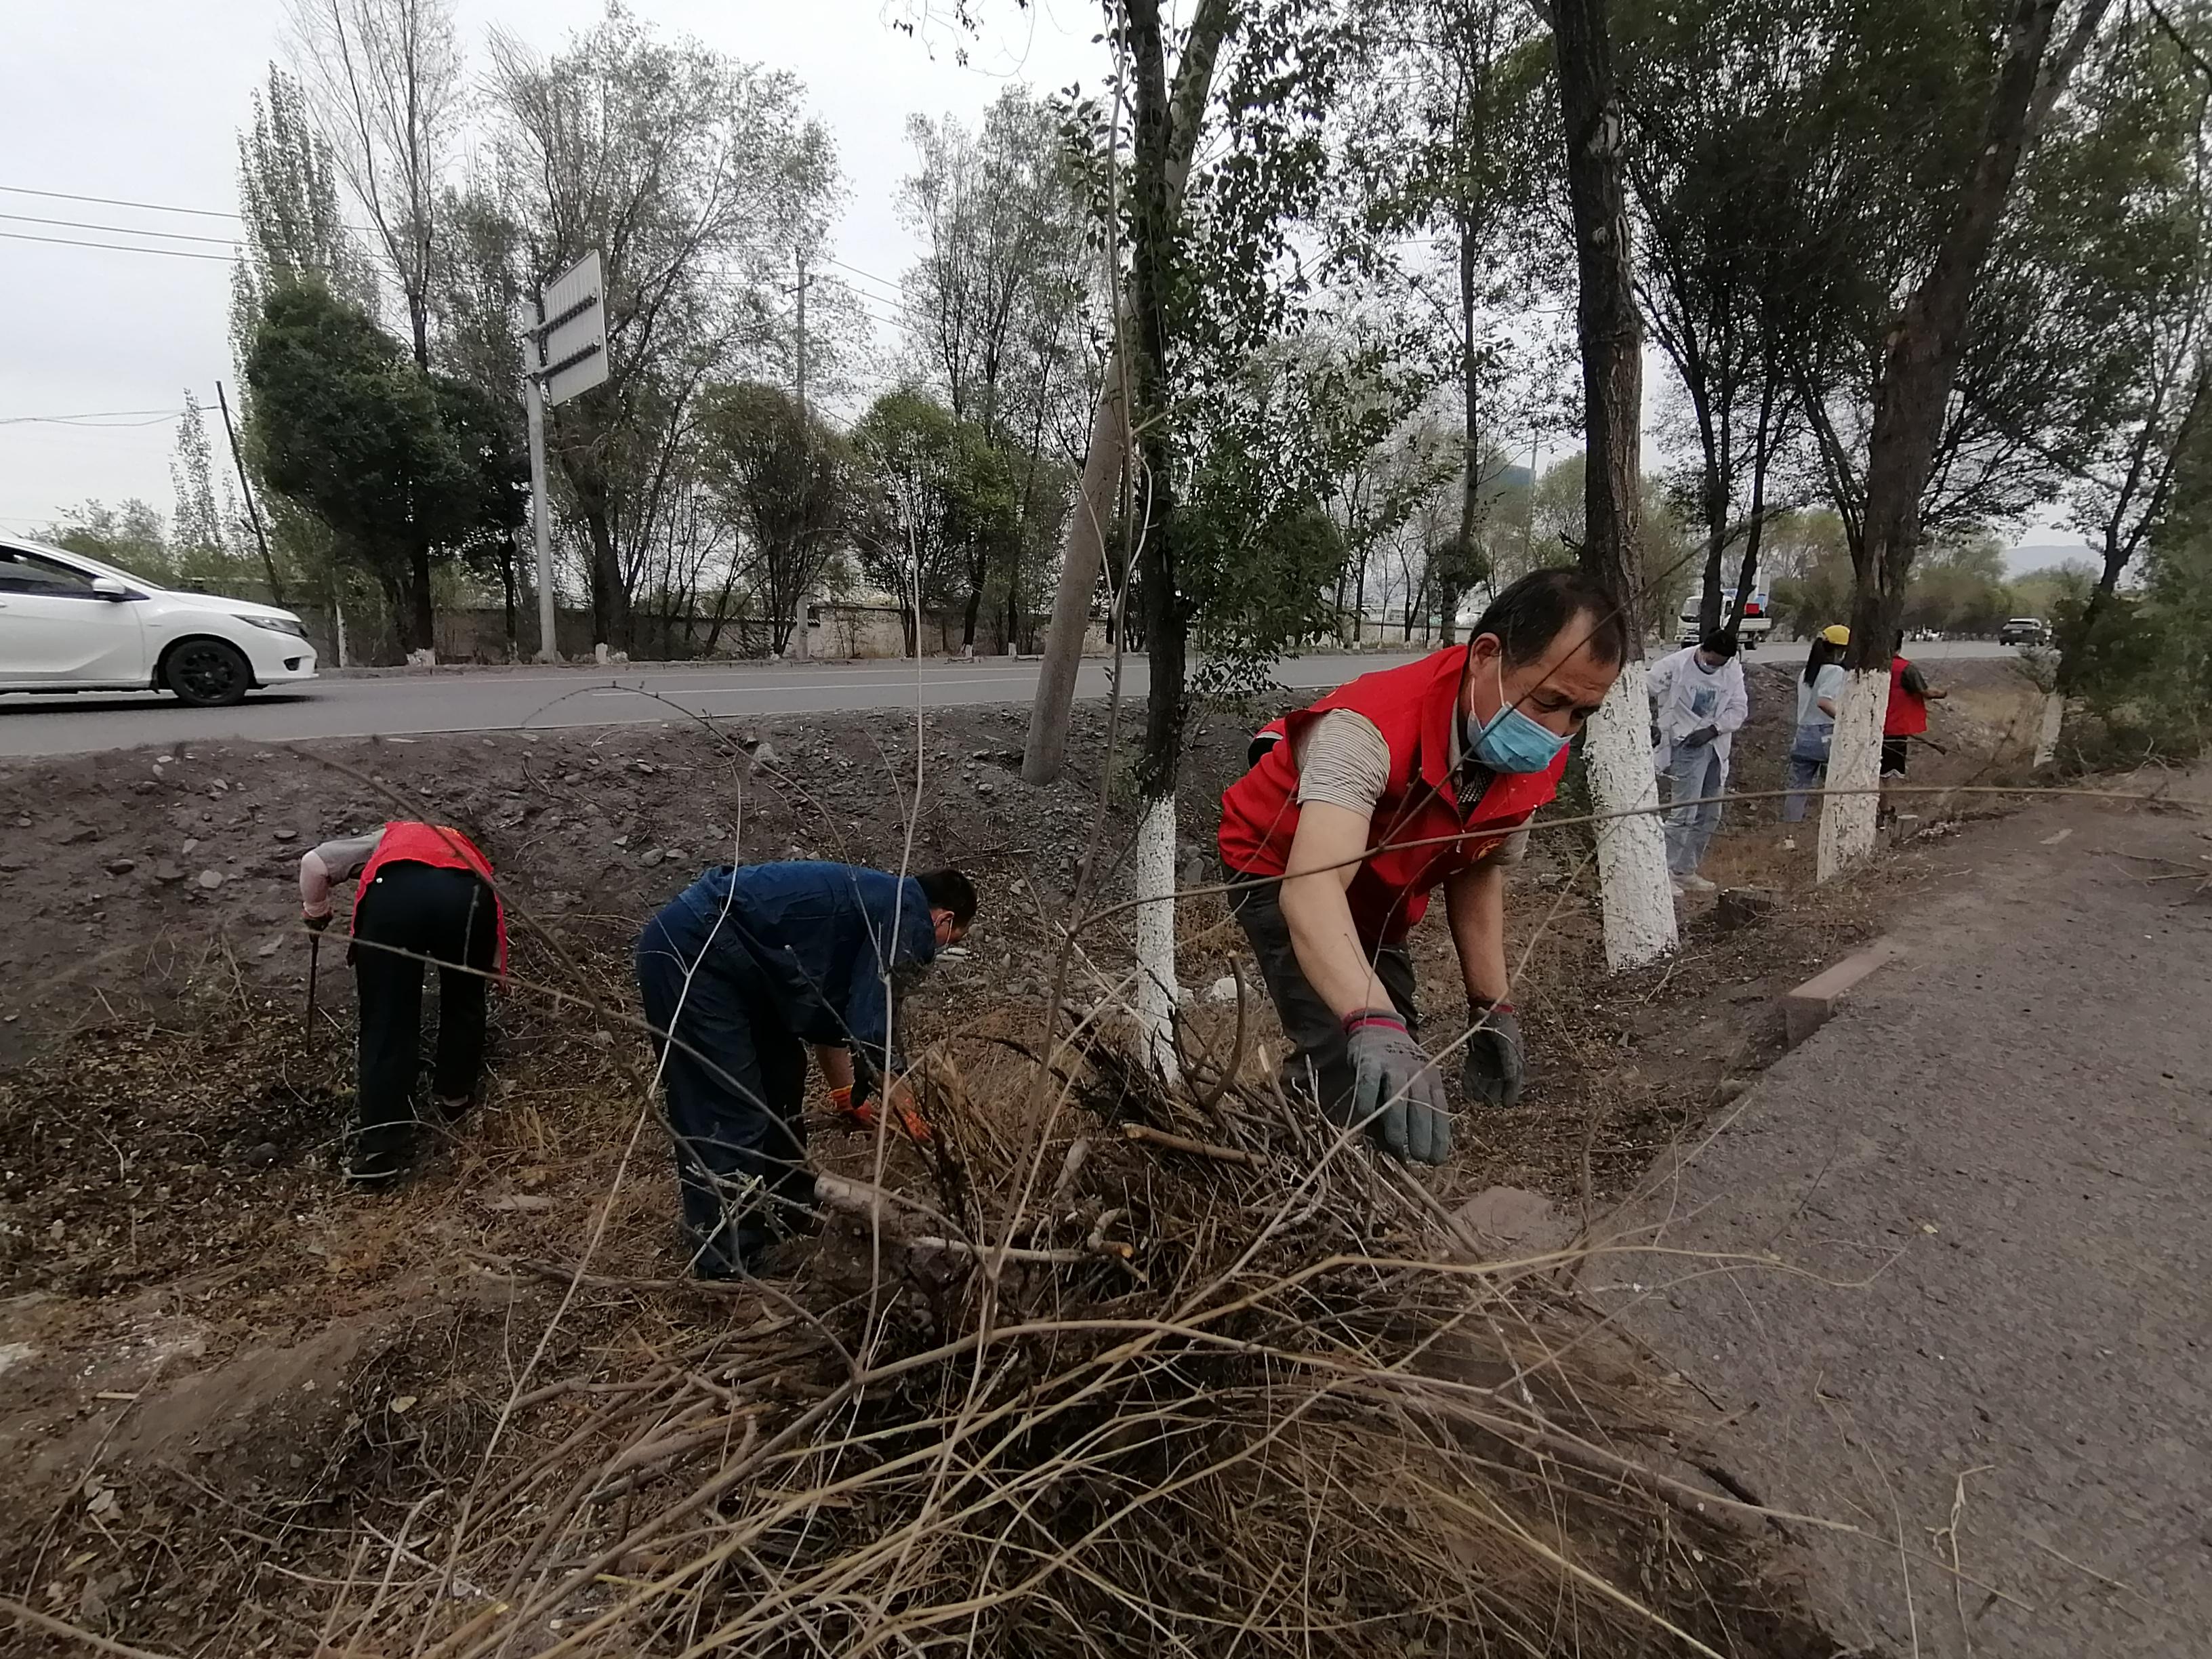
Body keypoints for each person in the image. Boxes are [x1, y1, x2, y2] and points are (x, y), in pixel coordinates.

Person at [1218, 567, 1628, 1166]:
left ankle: (1326, 1152)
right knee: (1346, 1042)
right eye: (1549, 702)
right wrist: (1366, 1016)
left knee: (1396, 1041)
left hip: (1378, 889)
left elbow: (1479, 868)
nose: (1559, 730)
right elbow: (1311, 892)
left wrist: (1492, 1005)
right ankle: (1298, 1186)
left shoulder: (1536, 758)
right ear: (1486, 654)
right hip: (1279, 864)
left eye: (1582, 713)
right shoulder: (1370, 729)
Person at [634, 861, 977, 1278]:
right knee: (728, 1106)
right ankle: (725, 1258)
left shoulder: (876, 904)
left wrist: (844, 1097)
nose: (936, 950)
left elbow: (832, 1014)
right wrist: (907, 1110)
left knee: (782, 1079)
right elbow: (874, 1026)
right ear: (945, 919)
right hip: (696, 952)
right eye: (948, 940)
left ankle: (786, 1211)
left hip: (745, 968)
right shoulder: (908, 916)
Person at [300, 821, 504, 1187]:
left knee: (387, 1014)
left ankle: (381, 1148)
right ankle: (454, 1096)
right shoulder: (459, 844)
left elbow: (314, 864)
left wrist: (316, 910)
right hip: (469, 896)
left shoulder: (385, 837)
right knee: (464, 997)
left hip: (395, 898)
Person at [1647, 629, 1749, 893]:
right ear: (1704, 650)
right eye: (1712, 661)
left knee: (1709, 814)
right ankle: (1664, 871)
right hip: (1686, 744)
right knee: (1684, 812)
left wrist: (1713, 730)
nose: (1715, 666)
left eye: (1721, 662)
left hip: (1715, 744)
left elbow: (1739, 708)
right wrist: (1650, 722)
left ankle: (1685, 870)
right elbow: (1644, 687)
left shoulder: (1732, 669)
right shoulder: (1675, 665)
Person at [1781, 625, 1850, 823]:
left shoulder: (1807, 672)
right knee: (1840, 782)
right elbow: (1824, 701)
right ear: (1841, 650)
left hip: (1803, 735)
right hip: (1826, 734)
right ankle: (1836, 822)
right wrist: (1846, 721)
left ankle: (1790, 826)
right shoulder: (1835, 672)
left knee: (1797, 787)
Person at [1881, 636, 1948, 791]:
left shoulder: (1868, 666)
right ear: (1899, 646)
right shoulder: (1905, 668)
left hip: (1872, 727)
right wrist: (1943, 694)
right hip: (1894, 729)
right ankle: (1885, 811)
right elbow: (1925, 692)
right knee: (1885, 776)